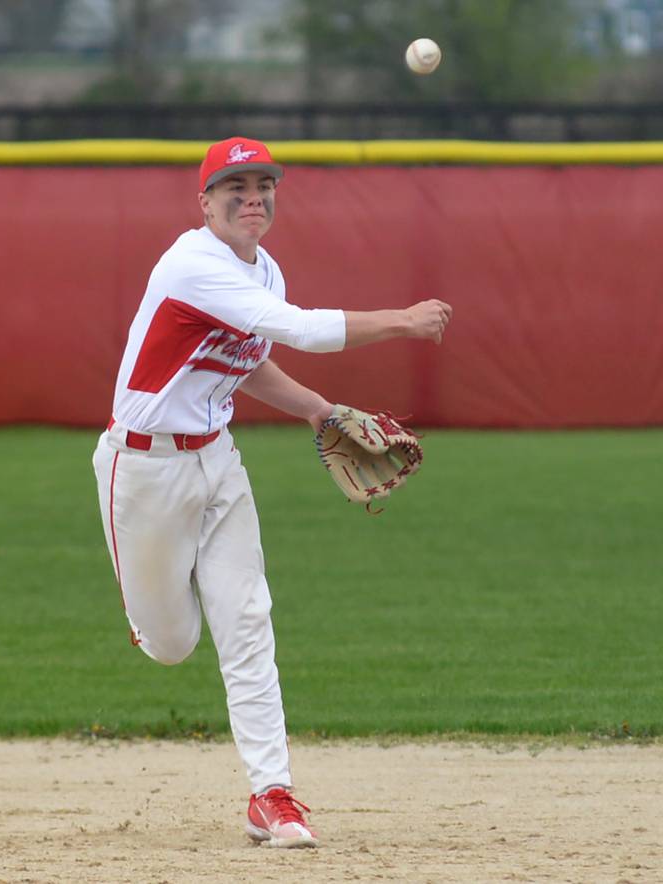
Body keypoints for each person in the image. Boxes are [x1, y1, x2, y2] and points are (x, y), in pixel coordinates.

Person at [92, 136, 452, 849]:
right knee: (171, 644)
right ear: (206, 202)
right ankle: (148, 603)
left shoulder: (265, 270)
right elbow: (299, 331)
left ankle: (272, 795)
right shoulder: (194, 263)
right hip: (143, 468)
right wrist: (403, 322)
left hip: (217, 462)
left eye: (264, 184)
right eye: (236, 186)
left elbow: (250, 360)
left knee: (249, 619)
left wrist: (319, 410)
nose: (253, 196)